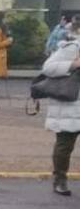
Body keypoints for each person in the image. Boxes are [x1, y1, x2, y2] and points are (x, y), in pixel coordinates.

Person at [41, 34, 80, 196]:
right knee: (64, 145)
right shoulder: (72, 48)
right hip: (70, 105)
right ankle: (60, 179)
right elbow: (48, 67)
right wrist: (73, 64)